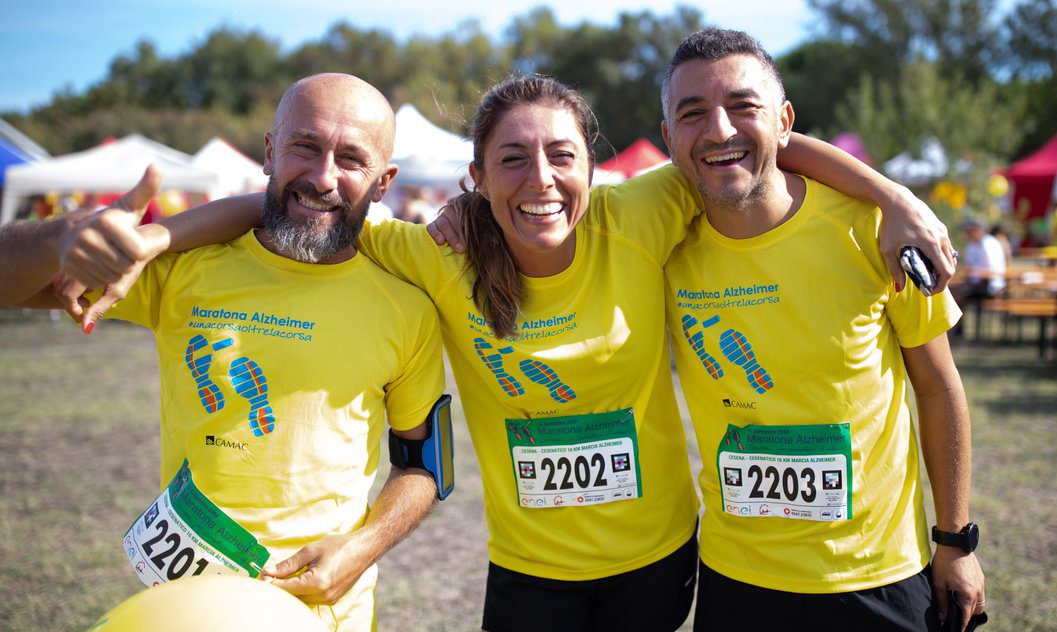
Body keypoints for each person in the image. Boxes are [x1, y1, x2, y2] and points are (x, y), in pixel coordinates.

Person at [57, 76, 954, 631]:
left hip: (656, 562)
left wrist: (896, 200)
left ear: (593, 166)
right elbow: (293, 203)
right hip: (529, 575)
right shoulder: (432, 254)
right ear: (474, 179)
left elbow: (750, 142)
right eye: (511, 161)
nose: (541, 180)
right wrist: (157, 240)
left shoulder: (641, 215)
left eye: (560, 155)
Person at [0, 73, 446, 632]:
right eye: (304, 147)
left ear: (384, 183)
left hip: (326, 616)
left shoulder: (407, 307)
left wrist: (364, 547)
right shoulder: (183, 269)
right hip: (184, 608)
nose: (322, 176)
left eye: (351, 159)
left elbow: (424, 465)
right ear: (268, 152)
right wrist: (59, 236)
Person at [657, 29, 985, 631]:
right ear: (670, 138)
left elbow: (938, 388)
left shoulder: (874, 231)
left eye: (743, 106)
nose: (720, 129)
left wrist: (956, 541)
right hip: (738, 580)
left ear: (785, 121)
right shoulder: (659, 243)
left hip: (880, 577)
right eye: (693, 113)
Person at [953, 218, 1007, 311]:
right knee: (952, 291)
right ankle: (957, 325)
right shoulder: (972, 244)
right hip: (977, 284)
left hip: (990, 286)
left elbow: (991, 271)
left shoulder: (989, 244)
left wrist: (973, 282)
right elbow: (969, 266)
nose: (967, 233)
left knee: (957, 295)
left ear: (978, 230)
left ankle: (956, 325)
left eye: (970, 230)